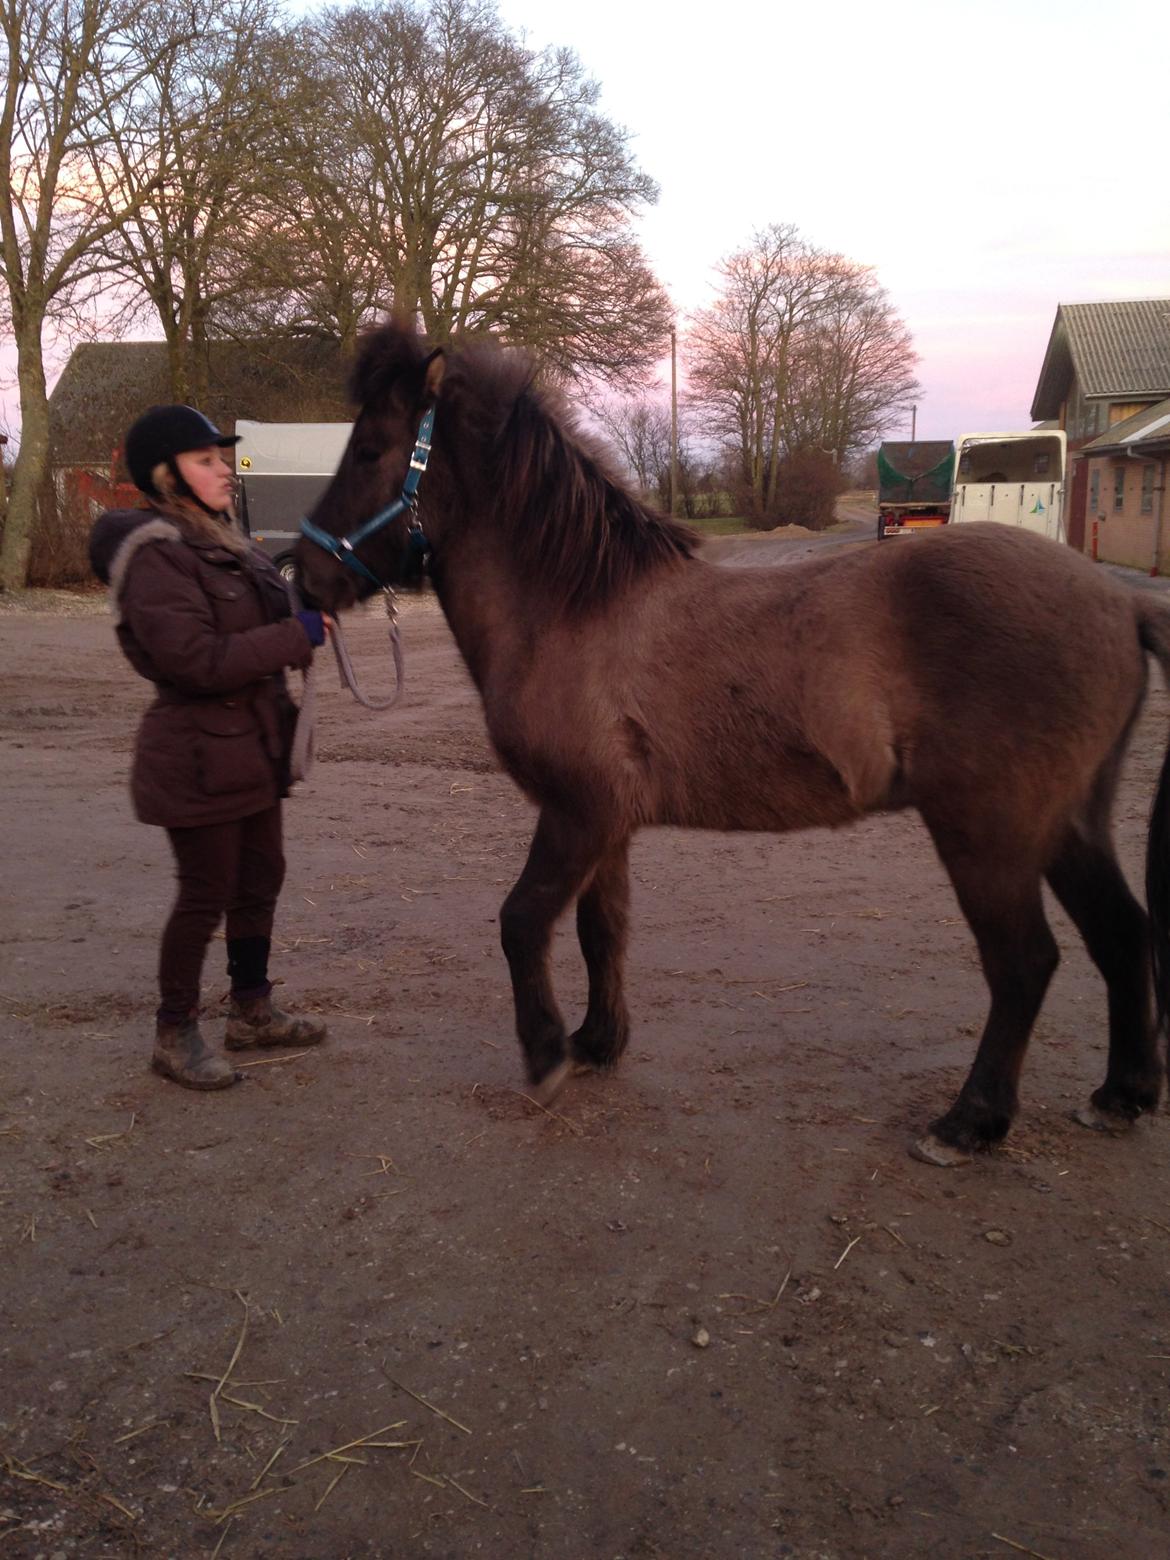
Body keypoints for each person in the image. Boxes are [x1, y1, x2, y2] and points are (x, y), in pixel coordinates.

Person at [88, 404, 330, 1090]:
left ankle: (251, 1010)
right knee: (205, 895)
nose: (226, 469)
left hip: (251, 747)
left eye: (223, 458)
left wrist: (318, 591)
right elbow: (194, 661)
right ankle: (175, 1032)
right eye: (207, 460)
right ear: (167, 477)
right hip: (195, 756)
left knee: (261, 878)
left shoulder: (224, 542)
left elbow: (270, 613)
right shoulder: (155, 558)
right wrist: (296, 637)